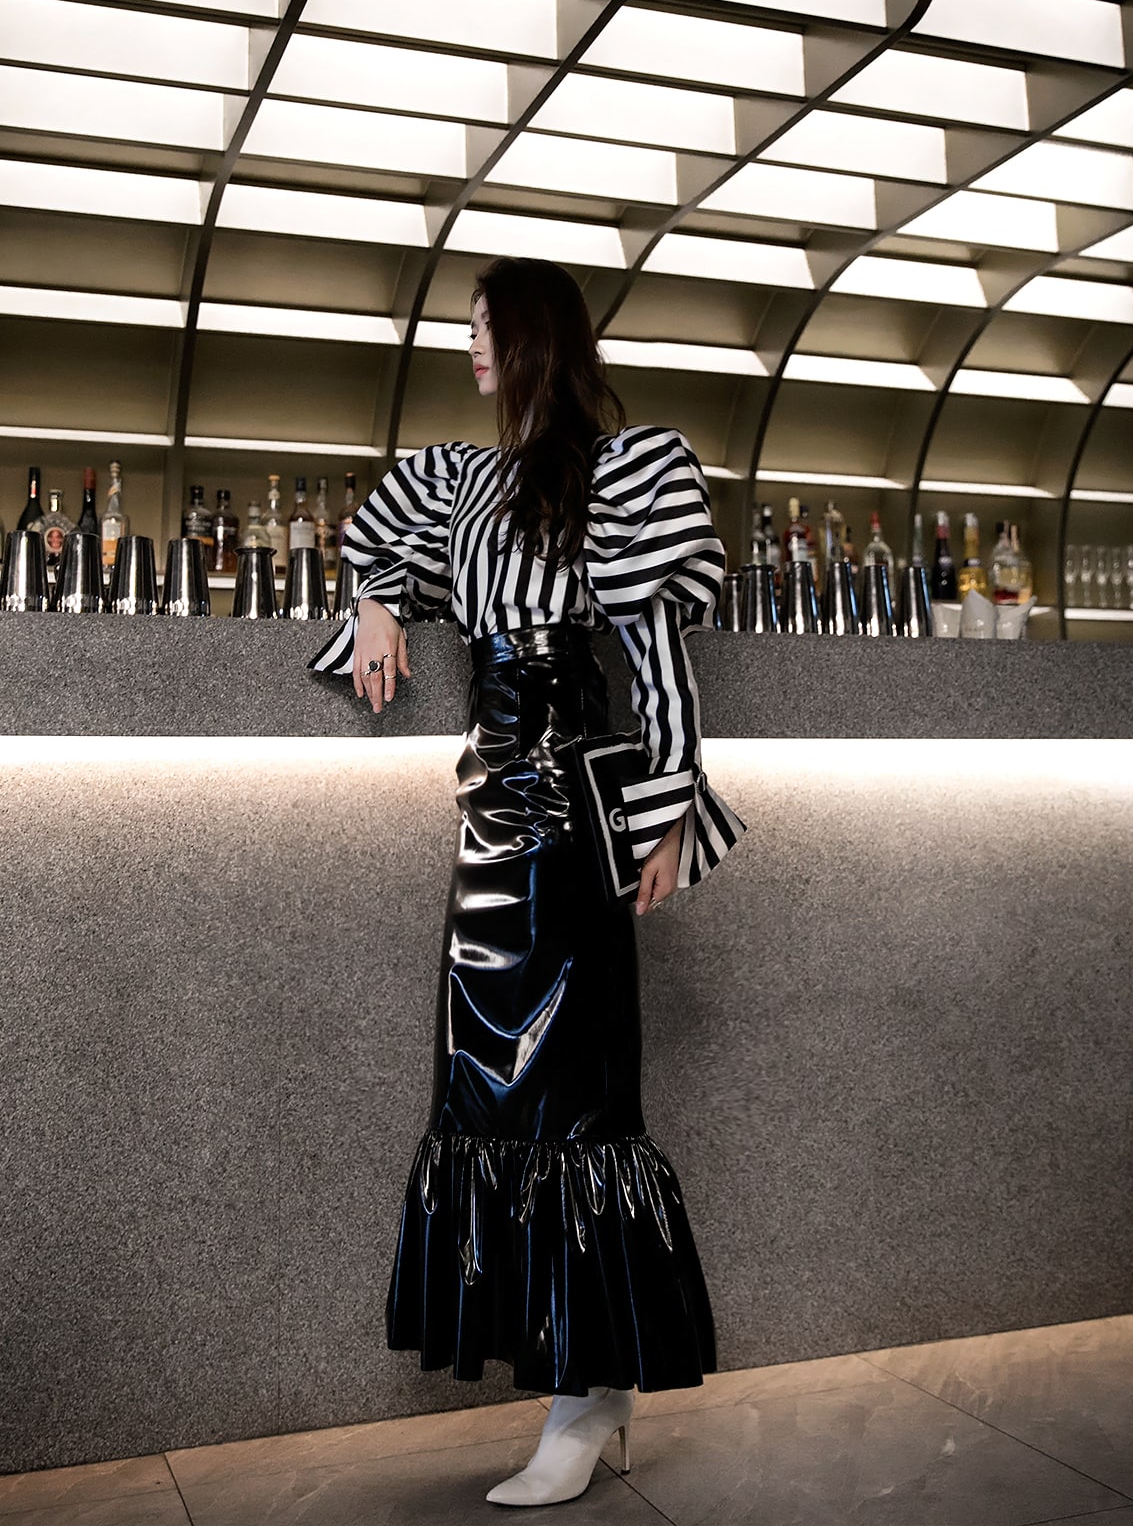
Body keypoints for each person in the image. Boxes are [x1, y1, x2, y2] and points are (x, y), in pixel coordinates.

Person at [308, 256, 746, 1507]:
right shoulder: (456, 478)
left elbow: (659, 663)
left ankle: (587, 1397)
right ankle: (584, 1392)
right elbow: (381, 556)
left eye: (483, 325)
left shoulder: (627, 469)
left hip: (569, 825)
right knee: (485, 1090)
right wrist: (377, 600)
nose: (468, 346)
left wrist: (670, 809)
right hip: (488, 819)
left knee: (575, 1101)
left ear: (537, 334)